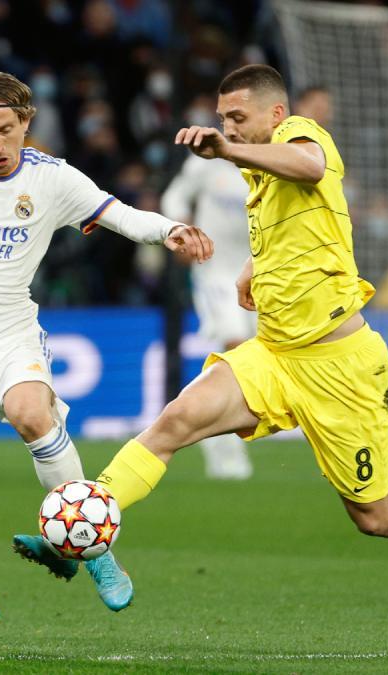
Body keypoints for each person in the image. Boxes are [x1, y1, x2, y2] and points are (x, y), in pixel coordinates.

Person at [30, 65, 388, 630]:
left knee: (376, 514)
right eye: (222, 119)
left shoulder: (305, 136)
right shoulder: (258, 179)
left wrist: (226, 150)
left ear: (276, 115)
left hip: (340, 367)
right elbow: (292, 226)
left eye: (238, 118)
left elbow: (309, 166)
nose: (229, 128)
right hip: (274, 355)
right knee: (175, 420)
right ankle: (82, 524)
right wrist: (253, 269)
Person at [0, 71, 212, 658]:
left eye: (7, 129)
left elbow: (121, 215)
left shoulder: (51, 180)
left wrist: (172, 231)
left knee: (32, 411)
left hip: (11, 335)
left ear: (26, 123)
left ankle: (97, 550)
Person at [160, 152, 254, 479]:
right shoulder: (205, 163)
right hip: (214, 272)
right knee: (236, 349)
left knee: (248, 364)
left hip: (259, 273)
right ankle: (220, 446)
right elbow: (174, 196)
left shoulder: (268, 161)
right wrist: (183, 232)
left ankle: (202, 418)